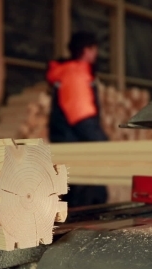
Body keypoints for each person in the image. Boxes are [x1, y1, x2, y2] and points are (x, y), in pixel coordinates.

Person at [46, 31, 108, 208]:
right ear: (86, 50)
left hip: (70, 148)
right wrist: (107, 146)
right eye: (94, 49)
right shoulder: (75, 75)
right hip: (79, 152)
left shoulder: (70, 73)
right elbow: (82, 118)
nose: (96, 54)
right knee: (87, 205)